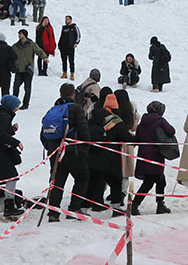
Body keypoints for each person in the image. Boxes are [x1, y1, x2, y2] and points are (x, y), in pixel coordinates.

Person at [44, 83, 91, 222]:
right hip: (73, 151)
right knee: (82, 178)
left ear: (60, 94)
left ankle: (53, 213)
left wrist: (50, 147)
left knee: (56, 182)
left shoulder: (53, 109)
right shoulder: (76, 108)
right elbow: (83, 130)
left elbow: (44, 133)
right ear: (73, 95)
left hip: (56, 152)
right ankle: (74, 209)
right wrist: (85, 147)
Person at [87, 93, 130, 215]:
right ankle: (116, 208)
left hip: (93, 157)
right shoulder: (115, 120)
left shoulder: (92, 117)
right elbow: (126, 137)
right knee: (116, 183)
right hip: (110, 159)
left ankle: (82, 208)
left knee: (91, 183)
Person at [132, 101, 176, 215]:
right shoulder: (160, 121)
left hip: (144, 156)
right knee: (152, 182)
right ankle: (136, 204)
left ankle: (157, 204)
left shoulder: (142, 123)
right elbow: (171, 131)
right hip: (156, 156)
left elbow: (137, 139)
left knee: (157, 181)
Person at [59, 15, 80, 80]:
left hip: (70, 46)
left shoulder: (74, 27)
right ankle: (64, 72)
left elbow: (78, 35)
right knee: (64, 60)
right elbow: (61, 36)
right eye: (65, 19)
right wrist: (59, 44)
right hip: (63, 46)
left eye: (67, 19)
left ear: (70, 20)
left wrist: (76, 43)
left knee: (71, 60)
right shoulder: (64, 27)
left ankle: (72, 73)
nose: (66, 20)